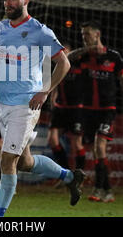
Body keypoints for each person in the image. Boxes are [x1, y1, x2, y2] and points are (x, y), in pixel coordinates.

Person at [0, 0, 85, 217]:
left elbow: (64, 63)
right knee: (24, 162)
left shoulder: (39, 31)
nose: (8, 3)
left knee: (7, 160)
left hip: (26, 105)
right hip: (3, 103)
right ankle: (70, 176)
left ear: (26, 1)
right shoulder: (0, 28)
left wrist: (46, 90)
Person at [67, 20, 123, 203]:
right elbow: (67, 59)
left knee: (100, 146)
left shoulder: (113, 57)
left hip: (108, 109)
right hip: (88, 110)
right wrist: (84, 49)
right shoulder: (83, 56)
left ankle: (99, 189)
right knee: (97, 151)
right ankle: (107, 190)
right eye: (82, 35)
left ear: (97, 34)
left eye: (88, 34)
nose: (84, 37)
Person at [48, 43, 84, 178]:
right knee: (52, 140)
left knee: (77, 144)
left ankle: (79, 177)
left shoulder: (80, 65)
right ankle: (67, 174)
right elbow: (55, 84)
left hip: (76, 109)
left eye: (65, 50)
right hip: (60, 108)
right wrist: (53, 99)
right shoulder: (58, 66)